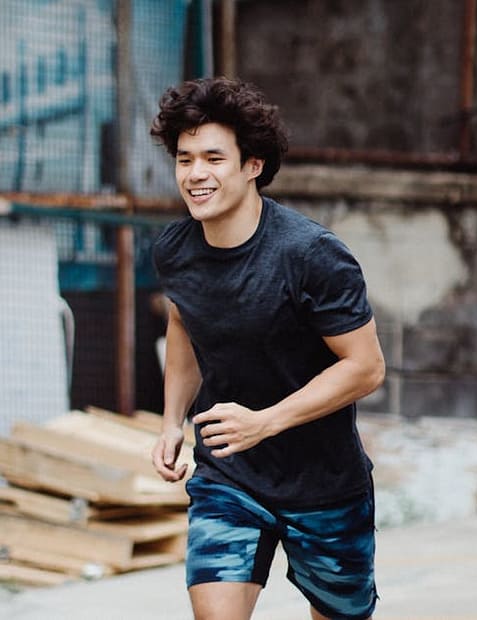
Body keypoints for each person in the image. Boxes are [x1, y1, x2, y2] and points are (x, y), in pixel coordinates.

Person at [149, 77, 385, 620]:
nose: (195, 174)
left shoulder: (312, 256)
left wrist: (267, 421)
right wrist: (171, 422)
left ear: (252, 164)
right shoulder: (175, 250)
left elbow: (366, 367)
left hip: (324, 484)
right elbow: (184, 323)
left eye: (213, 158)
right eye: (185, 159)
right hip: (229, 477)